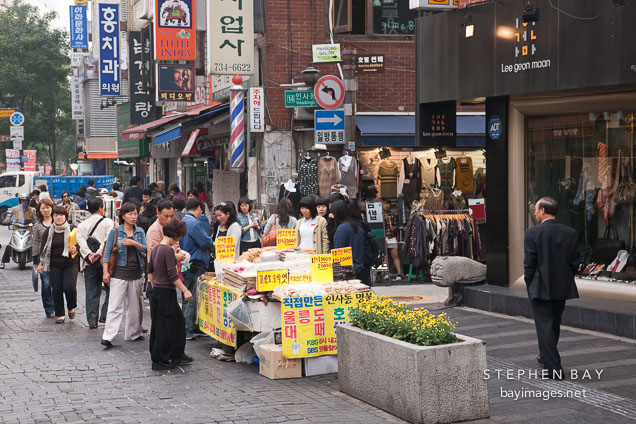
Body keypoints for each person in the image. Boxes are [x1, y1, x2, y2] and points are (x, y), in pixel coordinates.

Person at [524, 197, 578, 380]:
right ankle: (545, 356)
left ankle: (554, 368)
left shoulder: (533, 233)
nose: (535, 212)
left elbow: (529, 263)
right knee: (554, 324)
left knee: (545, 326)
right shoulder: (570, 232)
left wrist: (528, 282)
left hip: (540, 286)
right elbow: (575, 262)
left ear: (543, 211)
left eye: (537, 209)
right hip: (562, 286)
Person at [147, 219, 193, 370]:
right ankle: (161, 359)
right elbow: (172, 274)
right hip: (166, 292)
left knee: (173, 323)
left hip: (158, 291)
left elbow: (150, 269)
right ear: (176, 235)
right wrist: (185, 290)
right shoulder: (167, 250)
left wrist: (154, 287)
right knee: (166, 326)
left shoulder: (156, 249)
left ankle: (176, 354)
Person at [101, 202, 147, 348]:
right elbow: (107, 253)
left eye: (135, 213)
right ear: (122, 216)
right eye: (130, 214)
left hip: (136, 272)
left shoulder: (140, 232)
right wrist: (105, 271)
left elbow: (146, 250)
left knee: (134, 306)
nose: (133, 217)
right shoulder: (115, 231)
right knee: (115, 306)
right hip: (119, 273)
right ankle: (108, 336)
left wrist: (135, 244)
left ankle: (133, 334)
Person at [76, 198, 114, 329]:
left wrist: (89, 255)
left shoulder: (82, 225)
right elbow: (107, 240)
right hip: (105, 262)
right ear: (100, 208)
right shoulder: (108, 222)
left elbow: (81, 243)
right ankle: (105, 315)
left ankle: (92, 321)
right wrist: (98, 253)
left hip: (89, 263)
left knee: (91, 291)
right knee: (111, 290)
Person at [37, 206, 79, 324]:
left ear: (66, 216)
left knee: (69, 288)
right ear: (53, 217)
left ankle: (71, 307)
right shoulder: (49, 231)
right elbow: (43, 248)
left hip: (70, 263)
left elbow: (80, 242)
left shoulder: (73, 229)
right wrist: (41, 263)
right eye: (56, 215)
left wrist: (76, 248)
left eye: (61, 215)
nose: (59, 217)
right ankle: (60, 314)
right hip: (54, 264)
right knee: (57, 289)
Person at [181, 198, 215, 340]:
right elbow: (204, 241)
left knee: (191, 295)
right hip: (195, 263)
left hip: (187, 262)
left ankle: (193, 327)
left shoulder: (183, 221)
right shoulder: (194, 223)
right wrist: (213, 243)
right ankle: (187, 328)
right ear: (199, 208)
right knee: (192, 296)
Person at [146, 200, 187, 299]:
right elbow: (154, 258)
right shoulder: (154, 230)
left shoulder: (171, 226)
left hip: (168, 281)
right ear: (158, 213)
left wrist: (178, 252)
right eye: (166, 216)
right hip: (160, 281)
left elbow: (176, 245)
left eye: (172, 216)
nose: (169, 219)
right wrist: (185, 290)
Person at [332, 200, 371, 284]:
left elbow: (339, 252)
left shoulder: (342, 229)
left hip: (347, 271)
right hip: (360, 267)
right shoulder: (357, 226)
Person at [31, 199, 55, 318]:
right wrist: (35, 262)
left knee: (57, 285)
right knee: (46, 284)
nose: (46, 210)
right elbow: (35, 243)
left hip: (57, 259)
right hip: (43, 260)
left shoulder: (58, 222)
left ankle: (58, 307)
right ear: (39, 211)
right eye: (43, 208)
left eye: (48, 207)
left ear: (52, 208)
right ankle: (49, 309)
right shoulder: (37, 226)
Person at [1, 193, 36, 269]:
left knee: (35, 245)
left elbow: (35, 218)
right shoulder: (13, 209)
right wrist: (7, 220)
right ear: (20, 201)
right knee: (9, 245)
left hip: (28, 229)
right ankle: (3, 262)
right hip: (17, 229)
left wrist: (34, 222)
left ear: (28, 201)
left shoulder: (32, 210)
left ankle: (38, 262)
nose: (24, 202)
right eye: (22, 201)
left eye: (26, 201)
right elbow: (8, 217)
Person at [382, 199, 402, 279]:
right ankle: (385, 273)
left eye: (388, 204)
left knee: (395, 255)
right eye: (385, 203)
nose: (387, 205)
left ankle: (399, 273)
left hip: (391, 236)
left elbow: (397, 225)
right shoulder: (380, 215)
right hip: (383, 237)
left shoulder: (393, 214)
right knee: (384, 257)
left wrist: (394, 227)